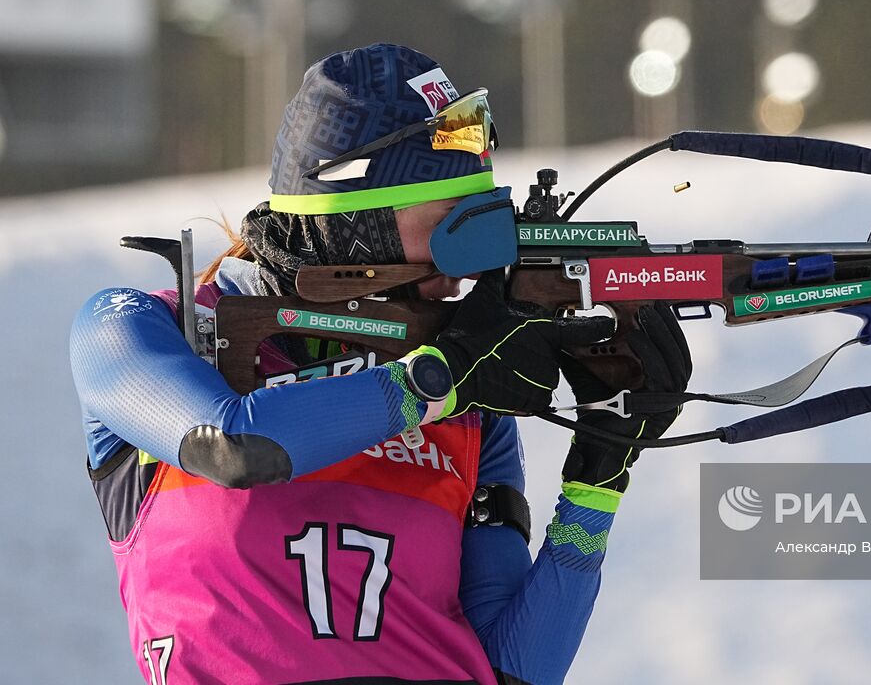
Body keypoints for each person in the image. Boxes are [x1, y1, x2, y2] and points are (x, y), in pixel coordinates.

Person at [69, 43, 689, 685]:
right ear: (357, 221)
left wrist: (602, 473)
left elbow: (512, 673)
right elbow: (233, 445)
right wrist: (441, 375)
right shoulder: (141, 327)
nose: (473, 265)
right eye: (453, 222)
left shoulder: (468, 409)